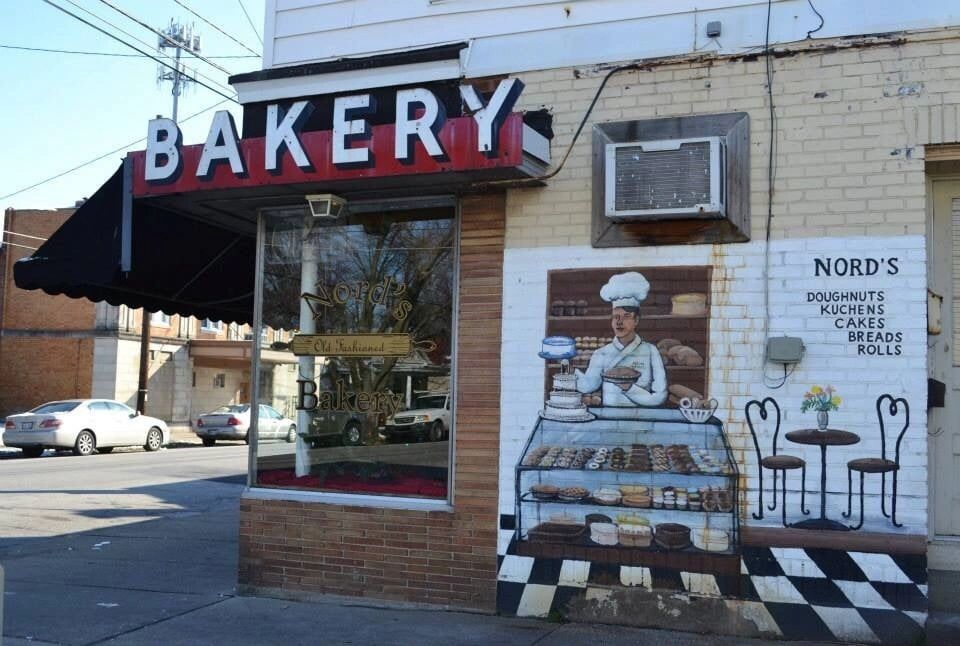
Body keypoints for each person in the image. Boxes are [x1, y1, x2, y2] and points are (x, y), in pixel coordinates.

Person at [575, 271, 668, 406]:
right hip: (609, 419)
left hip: (642, 420)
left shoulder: (650, 351)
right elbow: (588, 386)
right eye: (616, 317)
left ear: (636, 320)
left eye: (626, 317)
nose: (619, 322)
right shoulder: (601, 353)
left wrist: (629, 388)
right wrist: (570, 371)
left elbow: (660, 396)